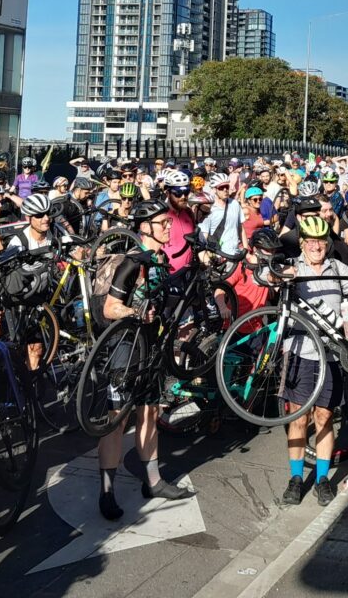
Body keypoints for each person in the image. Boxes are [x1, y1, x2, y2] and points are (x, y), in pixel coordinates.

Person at [97, 200, 194, 520]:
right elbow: (109, 309)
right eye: (162, 223)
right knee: (116, 420)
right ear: (145, 227)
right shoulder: (131, 262)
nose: (169, 227)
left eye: (168, 222)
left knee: (149, 414)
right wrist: (135, 311)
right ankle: (107, 490)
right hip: (124, 349)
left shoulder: (161, 259)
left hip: (150, 348)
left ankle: (153, 482)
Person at [282, 215, 348, 507]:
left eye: (321, 241)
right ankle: (295, 479)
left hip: (330, 352)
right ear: (303, 243)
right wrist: (276, 276)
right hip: (300, 350)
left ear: (327, 243)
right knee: (298, 417)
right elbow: (272, 281)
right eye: (311, 241)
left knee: (324, 417)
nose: (316, 247)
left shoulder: (338, 267)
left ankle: (321, 479)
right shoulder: (294, 267)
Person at [200, 173, 243, 256]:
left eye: (226, 187)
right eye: (221, 187)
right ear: (214, 189)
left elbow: (241, 228)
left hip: (236, 252)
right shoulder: (209, 209)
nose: (225, 190)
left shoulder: (235, 203)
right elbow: (203, 236)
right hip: (219, 255)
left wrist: (245, 249)